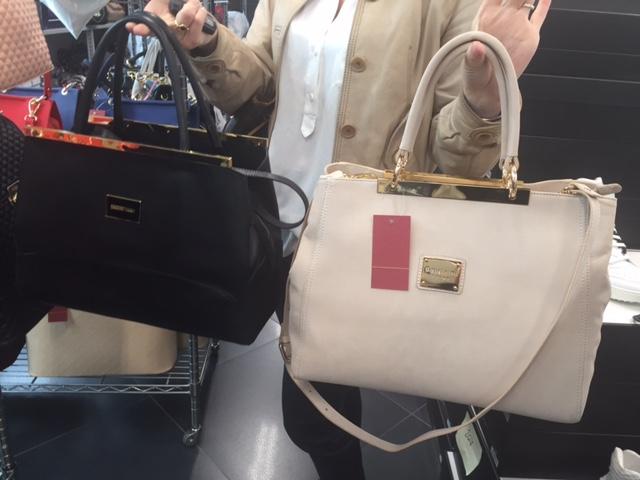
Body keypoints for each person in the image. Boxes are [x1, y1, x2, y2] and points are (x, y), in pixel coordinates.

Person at [130, 1, 551, 478]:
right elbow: (259, 85)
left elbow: (453, 161)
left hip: (372, 233)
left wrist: (484, 103)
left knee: (312, 411)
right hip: (280, 216)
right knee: (320, 388)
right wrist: (208, 42)